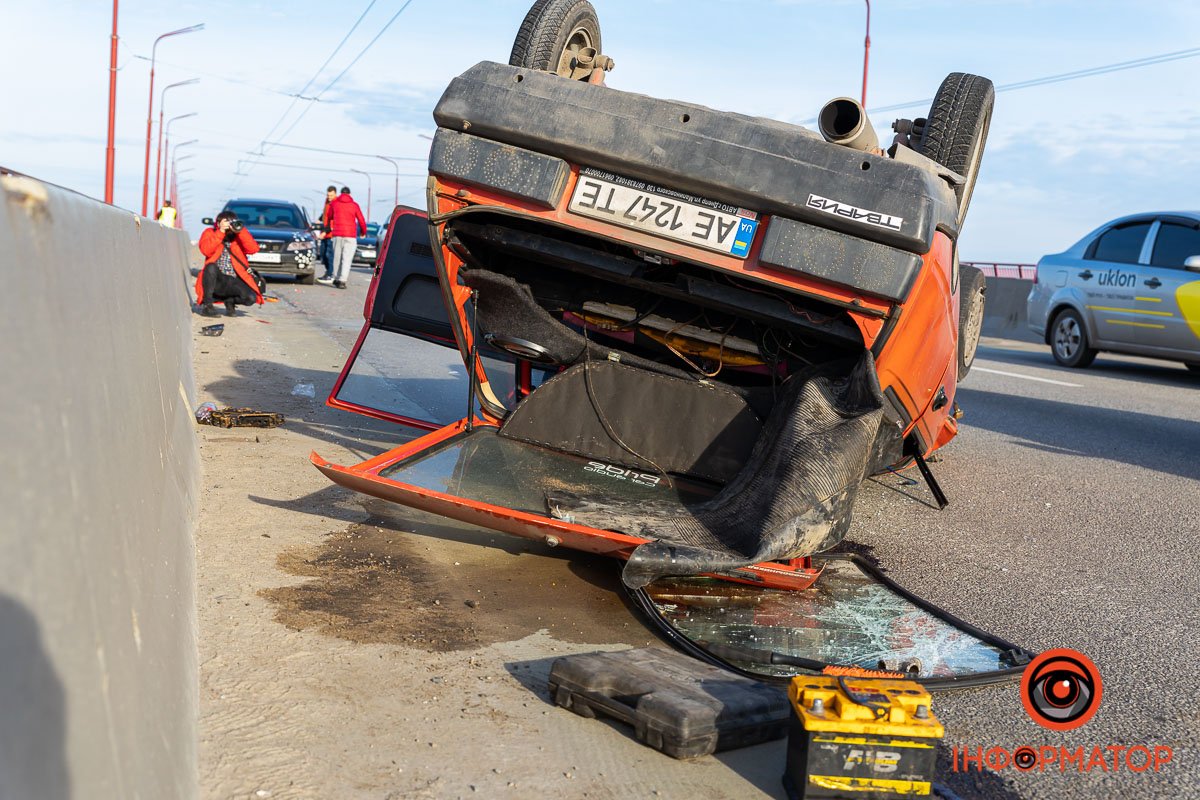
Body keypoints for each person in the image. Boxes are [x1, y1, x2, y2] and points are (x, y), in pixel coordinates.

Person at [195, 212, 263, 317]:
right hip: (217, 278)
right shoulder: (210, 233)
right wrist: (221, 231)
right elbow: (206, 250)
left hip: (233, 279)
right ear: (218, 223)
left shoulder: (238, 237)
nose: (229, 224)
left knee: (250, 298)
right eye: (226, 221)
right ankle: (207, 305)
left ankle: (229, 301)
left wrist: (241, 231)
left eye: (232, 221)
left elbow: (253, 249)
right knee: (210, 267)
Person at [326, 186, 366, 290]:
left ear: (340, 193)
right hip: (350, 236)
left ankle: (336, 277)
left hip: (337, 235)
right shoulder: (354, 205)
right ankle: (342, 281)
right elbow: (361, 220)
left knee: (337, 258)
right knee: (346, 259)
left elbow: (329, 215)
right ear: (349, 194)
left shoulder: (334, 204)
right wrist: (363, 232)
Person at [315, 185, 337, 284]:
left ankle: (330, 274)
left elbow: (332, 220)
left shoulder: (336, 203)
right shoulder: (327, 201)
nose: (329, 197)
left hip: (331, 233)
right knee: (323, 254)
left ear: (335, 194)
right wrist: (319, 219)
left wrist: (325, 232)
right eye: (328, 195)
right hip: (325, 231)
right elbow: (325, 214)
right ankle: (328, 271)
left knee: (329, 255)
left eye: (331, 195)